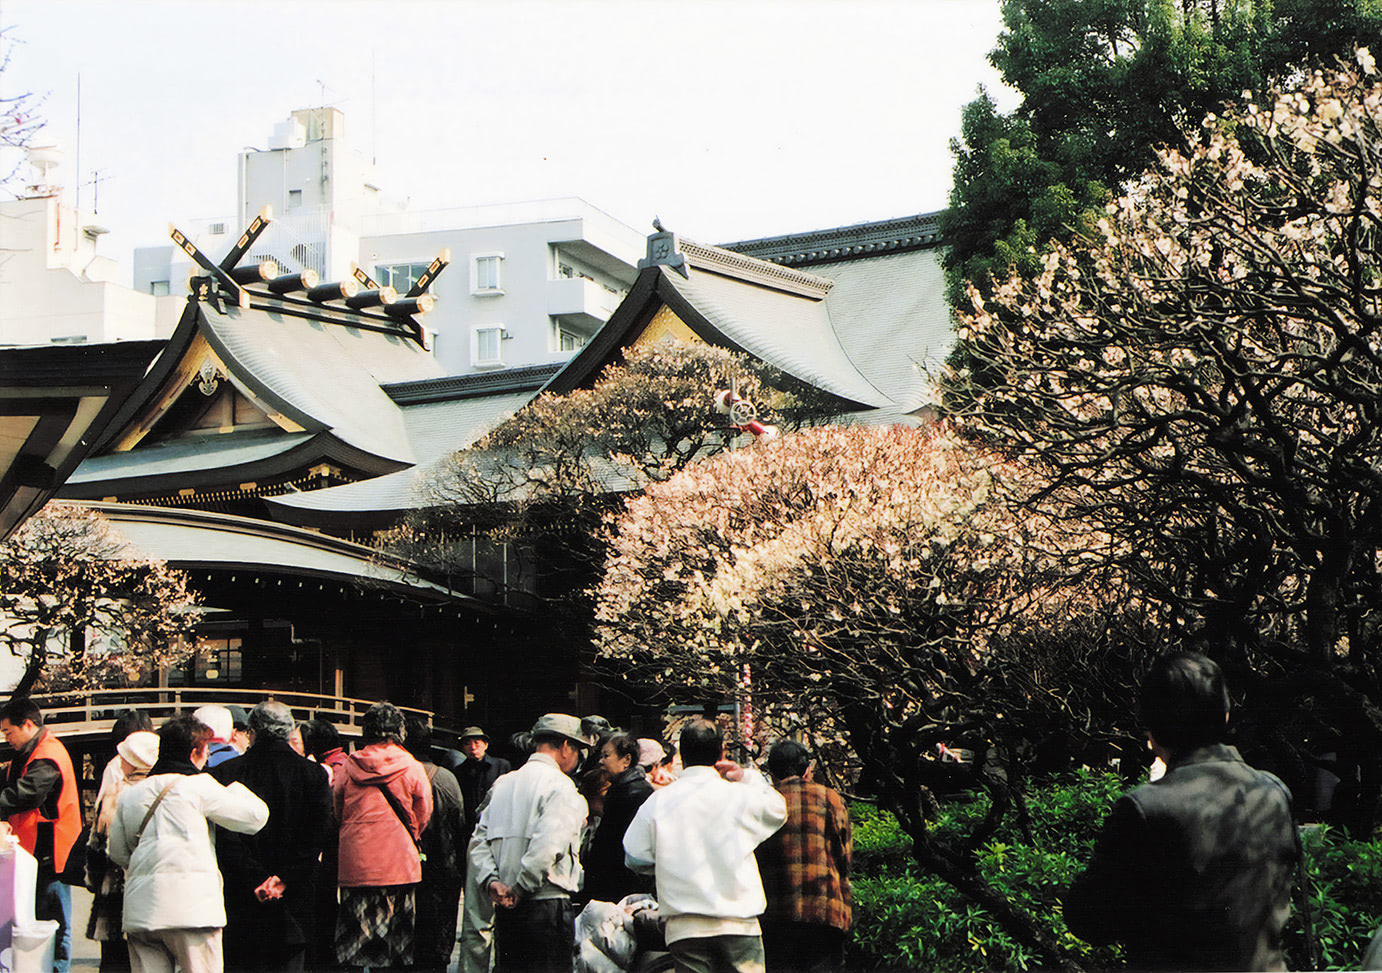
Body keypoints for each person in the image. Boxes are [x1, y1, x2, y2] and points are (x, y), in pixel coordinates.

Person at [1064, 651, 1298, 971]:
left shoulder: (1145, 808)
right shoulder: (1274, 792)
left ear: (1153, 731)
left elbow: (1089, 920)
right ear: (1226, 715)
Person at [108, 713, 270, 973]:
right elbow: (255, 817)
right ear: (197, 751)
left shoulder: (131, 795)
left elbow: (117, 852)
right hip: (193, 910)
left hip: (141, 911)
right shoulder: (199, 786)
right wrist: (232, 787)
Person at [624, 719, 786, 973]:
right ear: (721, 752)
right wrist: (746, 777)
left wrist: (667, 865)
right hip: (739, 921)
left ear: (681, 753)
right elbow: (777, 809)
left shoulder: (658, 801)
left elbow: (635, 856)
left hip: (685, 926)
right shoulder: (738, 795)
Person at [212, 701, 334, 973]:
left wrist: (257, 878)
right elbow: (317, 834)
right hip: (295, 893)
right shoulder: (313, 774)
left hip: (242, 894)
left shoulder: (225, 773)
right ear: (290, 731)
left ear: (252, 732)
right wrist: (284, 879)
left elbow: (224, 837)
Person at [469, 713, 590, 973]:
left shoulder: (503, 783)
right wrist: (521, 887)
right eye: (578, 749)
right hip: (546, 906)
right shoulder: (561, 786)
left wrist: (492, 881)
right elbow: (547, 847)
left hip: (506, 906)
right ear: (565, 746)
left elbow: (478, 841)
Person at [334, 702, 432, 971]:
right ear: (399, 731)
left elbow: (338, 810)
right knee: (396, 946)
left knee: (354, 943)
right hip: (399, 863)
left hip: (357, 865)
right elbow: (423, 813)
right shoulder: (411, 767)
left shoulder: (349, 767)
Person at [0, 697, 84, 973]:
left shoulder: (48, 754)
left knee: (55, 922)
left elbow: (27, 794)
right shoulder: (26, 755)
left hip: (52, 853)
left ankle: (58, 969)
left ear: (27, 725)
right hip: (33, 852)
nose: (6, 738)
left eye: (8, 732)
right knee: (35, 920)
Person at [755, 741, 852, 973]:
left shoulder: (763, 802)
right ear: (807, 769)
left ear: (772, 771)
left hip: (776, 913)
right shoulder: (831, 799)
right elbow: (845, 859)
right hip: (824, 911)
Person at [86, 730, 159, 973]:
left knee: (114, 963)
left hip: (115, 895)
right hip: (154, 894)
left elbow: (95, 850)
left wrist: (94, 883)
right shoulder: (166, 790)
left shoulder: (114, 794)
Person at [402, 718, 466, 973]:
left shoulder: (399, 777)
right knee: (438, 935)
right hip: (443, 868)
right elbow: (459, 823)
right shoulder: (446, 778)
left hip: (406, 867)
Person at [455, 725, 511, 973]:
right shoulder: (458, 772)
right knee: (476, 911)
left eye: (477, 742)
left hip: (500, 839)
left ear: (486, 744)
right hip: (473, 839)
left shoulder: (502, 768)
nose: (473, 746)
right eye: (468, 743)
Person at [583, 732, 653, 904]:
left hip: (620, 883)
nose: (601, 761)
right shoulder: (625, 789)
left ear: (626, 760)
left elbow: (612, 843)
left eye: (606, 755)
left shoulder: (631, 793)